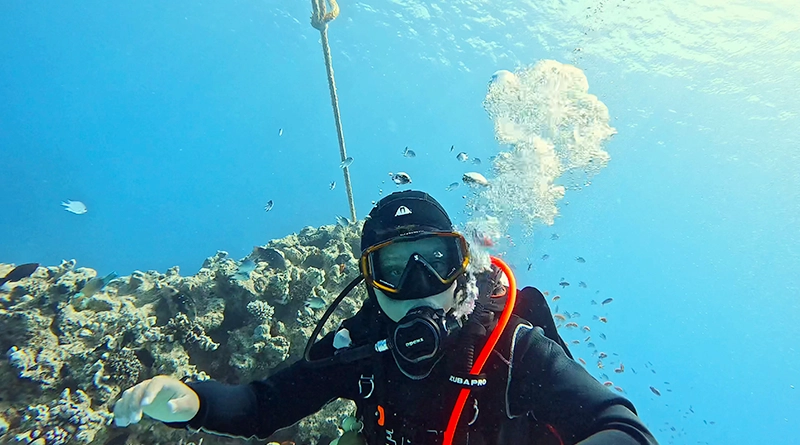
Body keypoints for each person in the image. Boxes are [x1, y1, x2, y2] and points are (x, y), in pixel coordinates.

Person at [113, 190, 658, 445]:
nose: (419, 285)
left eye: (435, 263)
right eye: (395, 268)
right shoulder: (359, 349)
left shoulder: (511, 347)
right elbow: (263, 405)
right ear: (370, 284)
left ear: (462, 266)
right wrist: (192, 402)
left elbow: (622, 427)